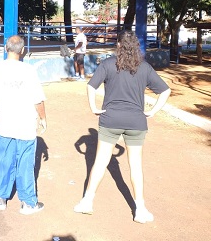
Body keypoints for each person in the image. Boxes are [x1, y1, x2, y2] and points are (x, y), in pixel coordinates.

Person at [73, 30, 171, 224]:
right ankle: (140, 209)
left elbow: (91, 86)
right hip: (136, 121)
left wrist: (94, 108)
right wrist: (152, 111)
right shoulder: (144, 67)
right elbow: (165, 90)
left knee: (100, 162)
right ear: (136, 47)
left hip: (110, 120)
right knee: (135, 166)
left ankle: (87, 201)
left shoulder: (108, 64)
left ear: (118, 45)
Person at [0, 35, 47, 215]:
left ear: (6, 49)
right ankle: (28, 202)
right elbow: (38, 99)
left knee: (4, 161)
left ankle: (1, 198)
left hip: (5, 124)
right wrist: (43, 118)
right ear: (23, 51)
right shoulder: (29, 70)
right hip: (25, 125)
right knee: (25, 163)